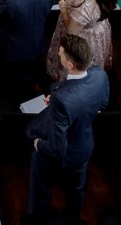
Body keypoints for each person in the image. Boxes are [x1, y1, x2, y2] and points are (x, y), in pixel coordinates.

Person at [26, 34, 109, 222]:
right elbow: (102, 104)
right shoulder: (99, 75)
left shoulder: (63, 100)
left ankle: (38, 219)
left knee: (40, 189)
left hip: (57, 153)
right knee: (76, 190)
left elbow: (56, 148)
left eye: (61, 53)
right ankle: (72, 218)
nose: (58, 53)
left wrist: (38, 144)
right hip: (83, 146)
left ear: (70, 64)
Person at [46, 0, 115, 81]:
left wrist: (63, 8)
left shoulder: (87, 8)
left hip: (84, 36)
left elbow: (72, 30)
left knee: (80, 66)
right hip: (98, 28)